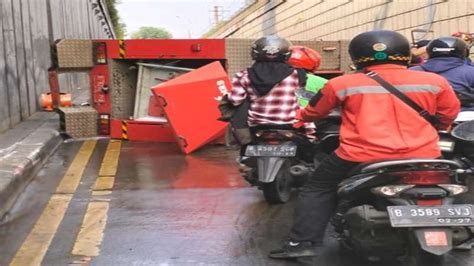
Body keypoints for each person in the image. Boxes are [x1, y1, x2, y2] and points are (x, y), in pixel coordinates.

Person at [269, 30, 460, 259]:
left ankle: (302, 243)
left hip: (360, 155)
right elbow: (449, 114)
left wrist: (302, 117)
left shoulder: (341, 84)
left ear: (357, 56)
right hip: (424, 155)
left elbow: (313, 112)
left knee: (317, 188)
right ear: (404, 54)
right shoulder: (435, 81)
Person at [227, 36, 315, 139]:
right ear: (287, 54)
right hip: (290, 123)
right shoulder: (297, 74)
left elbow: (235, 100)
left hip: (256, 125)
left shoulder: (243, 75)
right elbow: (300, 96)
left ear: (255, 53)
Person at [410, 37, 474, 111]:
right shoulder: (470, 72)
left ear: (429, 52)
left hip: (424, 117)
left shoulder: (412, 72)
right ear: (464, 52)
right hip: (465, 116)